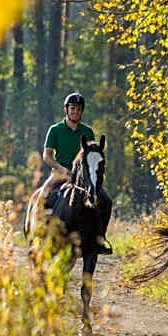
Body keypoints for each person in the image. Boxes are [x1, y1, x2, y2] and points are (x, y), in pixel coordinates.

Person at [41, 91, 112, 255]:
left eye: (78, 109)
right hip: (60, 173)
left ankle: (99, 239)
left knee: (106, 201)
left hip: (83, 177)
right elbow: (47, 155)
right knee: (43, 197)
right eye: (72, 108)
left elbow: (92, 157)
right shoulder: (55, 129)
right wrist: (61, 169)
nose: (75, 112)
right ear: (66, 110)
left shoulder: (87, 131)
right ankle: (42, 236)